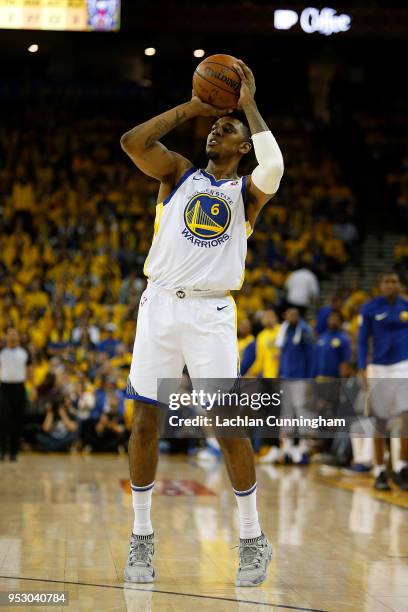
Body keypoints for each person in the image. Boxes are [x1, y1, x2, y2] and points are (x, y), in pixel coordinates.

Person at [120, 59, 284, 586]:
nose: (219, 129)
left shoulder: (247, 194)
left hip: (212, 313)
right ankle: (142, 536)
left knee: (227, 425)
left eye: (228, 128)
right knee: (146, 421)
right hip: (160, 304)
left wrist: (248, 104)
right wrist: (195, 104)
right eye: (217, 125)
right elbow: (132, 141)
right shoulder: (178, 173)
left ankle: (253, 538)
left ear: (243, 147)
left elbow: (275, 167)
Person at [358, 270, 408, 491]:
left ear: (399, 285)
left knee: (406, 416)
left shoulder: (405, 306)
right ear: (380, 285)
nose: (390, 284)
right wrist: (361, 367)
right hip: (378, 366)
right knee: (379, 421)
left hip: (403, 364)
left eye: (394, 281)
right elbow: (362, 340)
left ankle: (402, 467)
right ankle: (379, 471)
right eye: (386, 281)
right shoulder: (370, 307)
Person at [276, 308, 315, 464]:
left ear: (298, 316)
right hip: (286, 377)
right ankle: (287, 446)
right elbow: (282, 356)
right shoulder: (284, 330)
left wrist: (310, 379)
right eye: (288, 314)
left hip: (300, 378)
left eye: (293, 314)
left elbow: (312, 356)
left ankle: (305, 447)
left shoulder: (305, 331)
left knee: (302, 411)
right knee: (287, 412)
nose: (290, 316)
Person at [0, 328, 33, 461]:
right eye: (10, 334)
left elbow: (30, 370)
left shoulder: (24, 352)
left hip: (19, 387)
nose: (13, 336)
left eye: (15, 334)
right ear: (6, 337)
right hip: (4, 388)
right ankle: (2, 451)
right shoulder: (2, 352)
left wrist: (33, 387)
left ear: (18, 337)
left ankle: (14, 452)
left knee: (17, 421)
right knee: (2, 420)